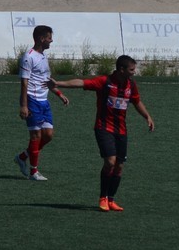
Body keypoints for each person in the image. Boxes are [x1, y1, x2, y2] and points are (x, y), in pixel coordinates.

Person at [54, 55, 155, 212]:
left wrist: (147, 116)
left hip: (121, 130)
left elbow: (136, 101)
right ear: (121, 69)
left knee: (119, 166)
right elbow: (82, 82)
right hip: (104, 128)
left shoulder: (131, 84)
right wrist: (59, 83)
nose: (134, 72)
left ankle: (111, 199)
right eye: (131, 69)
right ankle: (103, 197)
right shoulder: (104, 82)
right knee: (110, 162)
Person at [15, 25, 69, 181]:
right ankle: (34, 172)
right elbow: (24, 83)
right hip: (32, 100)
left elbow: (46, 81)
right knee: (36, 136)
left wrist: (59, 94)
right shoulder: (28, 57)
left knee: (48, 135)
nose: (51, 41)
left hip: (44, 101)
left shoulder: (43, 57)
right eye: (49, 38)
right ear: (41, 39)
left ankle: (22, 157)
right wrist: (24, 105)